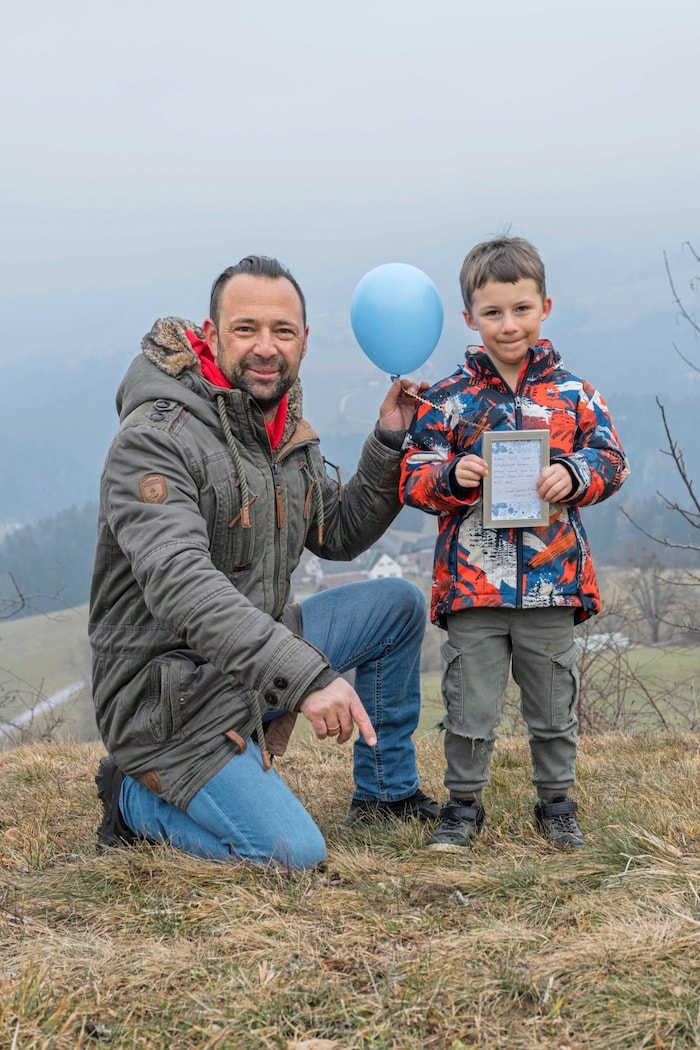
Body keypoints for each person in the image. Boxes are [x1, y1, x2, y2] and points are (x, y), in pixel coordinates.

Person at [89, 254, 439, 871]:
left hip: (246, 664)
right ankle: (131, 799)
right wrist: (306, 677)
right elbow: (182, 587)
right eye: (245, 328)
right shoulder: (155, 439)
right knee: (289, 854)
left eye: (283, 331)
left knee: (397, 606)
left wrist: (389, 439)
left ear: (305, 339)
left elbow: (337, 531)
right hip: (170, 701)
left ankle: (386, 795)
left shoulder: (276, 426)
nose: (266, 347)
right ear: (211, 333)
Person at [399, 236, 629, 851]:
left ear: (545, 307)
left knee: (553, 704)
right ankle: (462, 807)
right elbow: (413, 475)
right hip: (473, 587)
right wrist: (453, 476)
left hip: (552, 585)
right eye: (493, 312)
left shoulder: (576, 394)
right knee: (469, 707)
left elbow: (612, 460)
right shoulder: (445, 399)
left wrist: (574, 475)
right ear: (469, 316)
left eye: (522, 309)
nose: (509, 324)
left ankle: (556, 804)